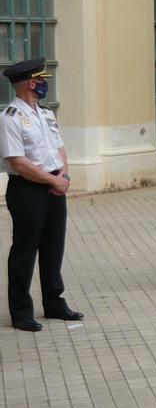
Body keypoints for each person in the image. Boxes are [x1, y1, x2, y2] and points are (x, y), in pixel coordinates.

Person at [1, 58, 83, 332]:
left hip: (54, 186)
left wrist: (64, 177)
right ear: (31, 83)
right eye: (42, 79)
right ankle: (21, 311)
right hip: (27, 190)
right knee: (25, 251)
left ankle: (54, 303)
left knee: (53, 247)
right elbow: (18, 161)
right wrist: (52, 180)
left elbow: (60, 149)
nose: (46, 83)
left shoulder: (46, 113)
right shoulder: (10, 117)